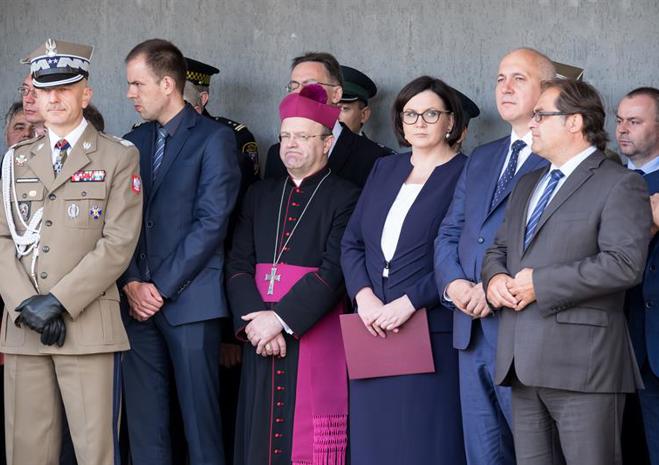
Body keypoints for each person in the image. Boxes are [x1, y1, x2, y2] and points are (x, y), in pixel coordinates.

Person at [482, 78, 651, 465]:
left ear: (574, 122)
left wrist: (539, 284)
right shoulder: (527, 183)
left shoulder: (620, 183)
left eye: (540, 115)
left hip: (584, 367)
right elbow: (499, 249)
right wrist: (494, 279)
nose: (531, 123)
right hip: (521, 363)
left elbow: (624, 264)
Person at [0, 38, 143, 465]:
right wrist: (26, 304)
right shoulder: (16, 160)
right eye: (45, 89)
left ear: (86, 94)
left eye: (65, 88)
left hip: (86, 327)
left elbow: (118, 243)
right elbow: (3, 239)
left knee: (94, 453)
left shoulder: (117, 156)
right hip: (25, 327)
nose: (54, 98)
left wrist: (58, 302)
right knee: (26, 452)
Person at [119, 38, 239, 465]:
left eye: (137, 84)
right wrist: (132, 282)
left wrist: (159, 287)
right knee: (145, 429)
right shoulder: (131, 142)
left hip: (189, 303)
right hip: (136, 305)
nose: (129, 93)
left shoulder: (215, 139)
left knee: (200, 428)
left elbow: (212, 223)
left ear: (167, 84)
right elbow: (117, 222)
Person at [226, 84, 360, 465]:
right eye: (285, 136)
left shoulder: (346, 196)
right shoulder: (259, 195)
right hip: (259, 335)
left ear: (327, 143)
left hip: (310, 329)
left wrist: (279, 320)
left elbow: (334, 272)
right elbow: (237, 265)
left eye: (302, 136)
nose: (290, 145)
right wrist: (256, 323)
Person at [434, 47, 555, 465]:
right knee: (483, 455)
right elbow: (450, 231)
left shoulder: (559, 157)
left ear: (547, 90)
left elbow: (554, 241)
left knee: (535, 455)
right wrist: (454, 285)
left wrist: (490, 286)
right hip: (470, 331)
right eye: (500, 78)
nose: (505, 87)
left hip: (522, 331)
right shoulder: (484, 156)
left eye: (519, 78)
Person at [341, 76, 467, 465]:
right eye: (410, 114)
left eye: (431, 113)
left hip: (429, 327)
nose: (419, 122)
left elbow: (462, 255)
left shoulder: (468, 172)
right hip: (372, 326)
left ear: (450, 121)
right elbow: (352, 242)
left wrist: (409, 302)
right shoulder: (385, 168)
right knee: (374, 442)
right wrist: (364, 297)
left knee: (422, 442)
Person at [263, 52, 392, 187]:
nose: (300, 93)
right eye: (294, 86)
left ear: (336, 94)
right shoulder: (277, 154)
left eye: (311, 85)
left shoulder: (375, 158)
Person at [617, 86, 659, 465]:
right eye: (619, 120)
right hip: (615, 348)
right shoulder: (602, 180)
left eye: (634, 121)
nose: (622, 129)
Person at [185, 57, 260, 183]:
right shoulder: (156, 133)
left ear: (202, 99)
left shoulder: (235, 136)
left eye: (178, 97)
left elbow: (250, 189)